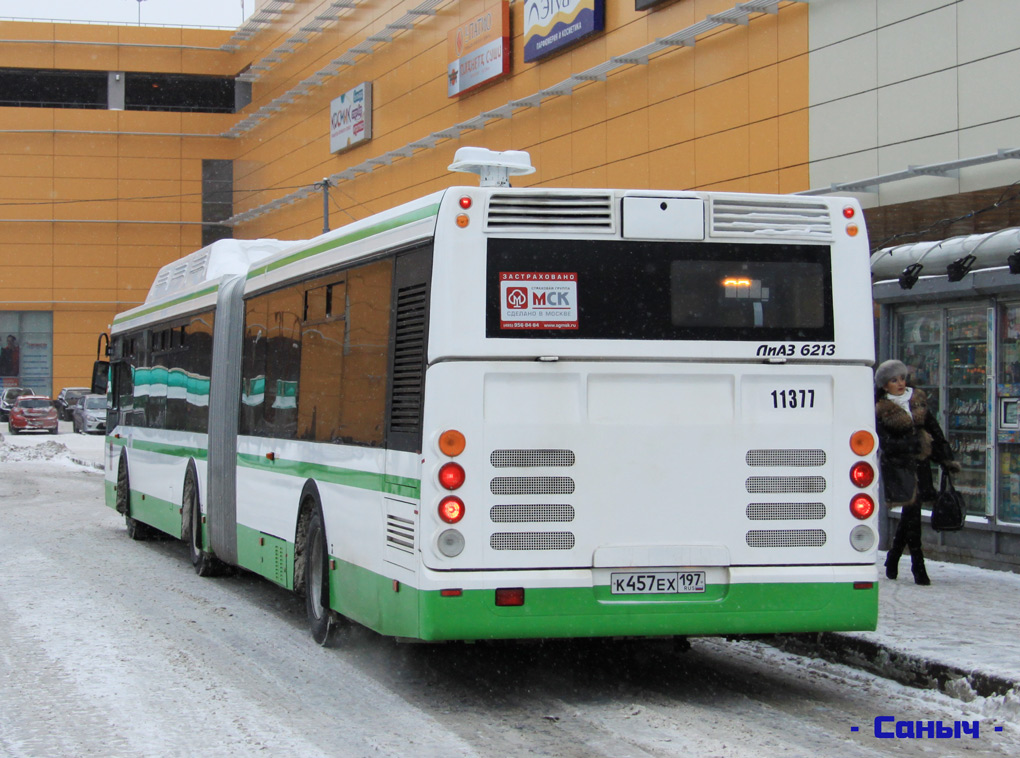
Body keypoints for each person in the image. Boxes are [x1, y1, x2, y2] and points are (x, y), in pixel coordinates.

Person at [874, 359, 960, 585]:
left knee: (911, 512)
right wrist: (912, 444)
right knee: (911, 512)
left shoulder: (917, 400)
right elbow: (885, 441)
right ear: (885, 386)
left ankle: (893, 557)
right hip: (899, 467)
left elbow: (934, 430)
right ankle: (917, 565)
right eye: (894, 380)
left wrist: (946, 459)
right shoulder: (880, 408)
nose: (900, 383)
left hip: (920, 465)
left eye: (902, 378)